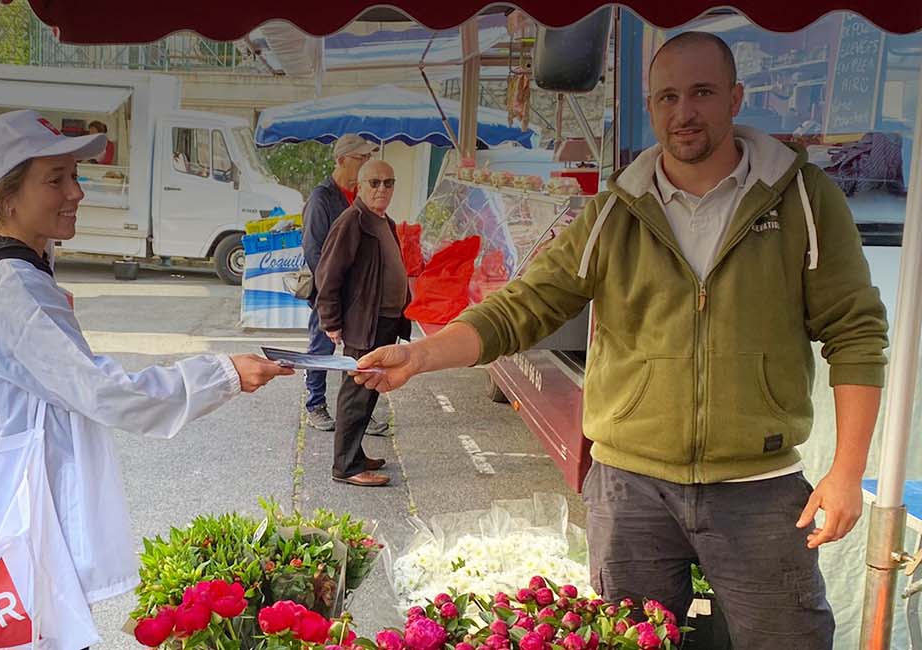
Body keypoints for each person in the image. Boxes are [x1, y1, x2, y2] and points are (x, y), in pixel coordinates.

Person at [354, 32, 888, 648]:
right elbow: (523, 308)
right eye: (666, 97)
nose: (683, 112)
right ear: (651, 108)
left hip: (758, 486)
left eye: (702, 92)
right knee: (625, 640)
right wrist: (419, 355)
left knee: (788, 639)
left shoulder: (802, 198)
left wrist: (848, 472)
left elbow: (855, 333)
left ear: (736, 97)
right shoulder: (616, 209)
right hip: (629, 486)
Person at [0, 109, 292, 648]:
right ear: (6, 198)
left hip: (0, 510)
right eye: (56, 179)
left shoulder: (1, 271)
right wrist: (221, 373)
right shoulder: (12, 285)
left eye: (75, 174)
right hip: (15, 521)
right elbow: (104, 391)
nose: (76, 191)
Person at [315, 160, 411, 488]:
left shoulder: (384, 221)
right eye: (374, 182)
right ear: (360, 185)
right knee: (356, 393)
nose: (381, 189)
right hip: (364, 323)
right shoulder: (352, 221)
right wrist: (331, 321)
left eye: (388, 182)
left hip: (385, 322)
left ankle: (355, 454)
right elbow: (328, 275)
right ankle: (345, 466)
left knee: (369, 393)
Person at [300, 133, 380, 433]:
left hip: (357, 289)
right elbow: (313, 250)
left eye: (367, 158)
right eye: (360, 158)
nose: (365, 163)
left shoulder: (360, 195)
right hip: (330, 289)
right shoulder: (322, 198)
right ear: (341, 160)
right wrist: (331, 291)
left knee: (357, 352)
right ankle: (315, 404)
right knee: (321, 348)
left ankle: (357, 411)